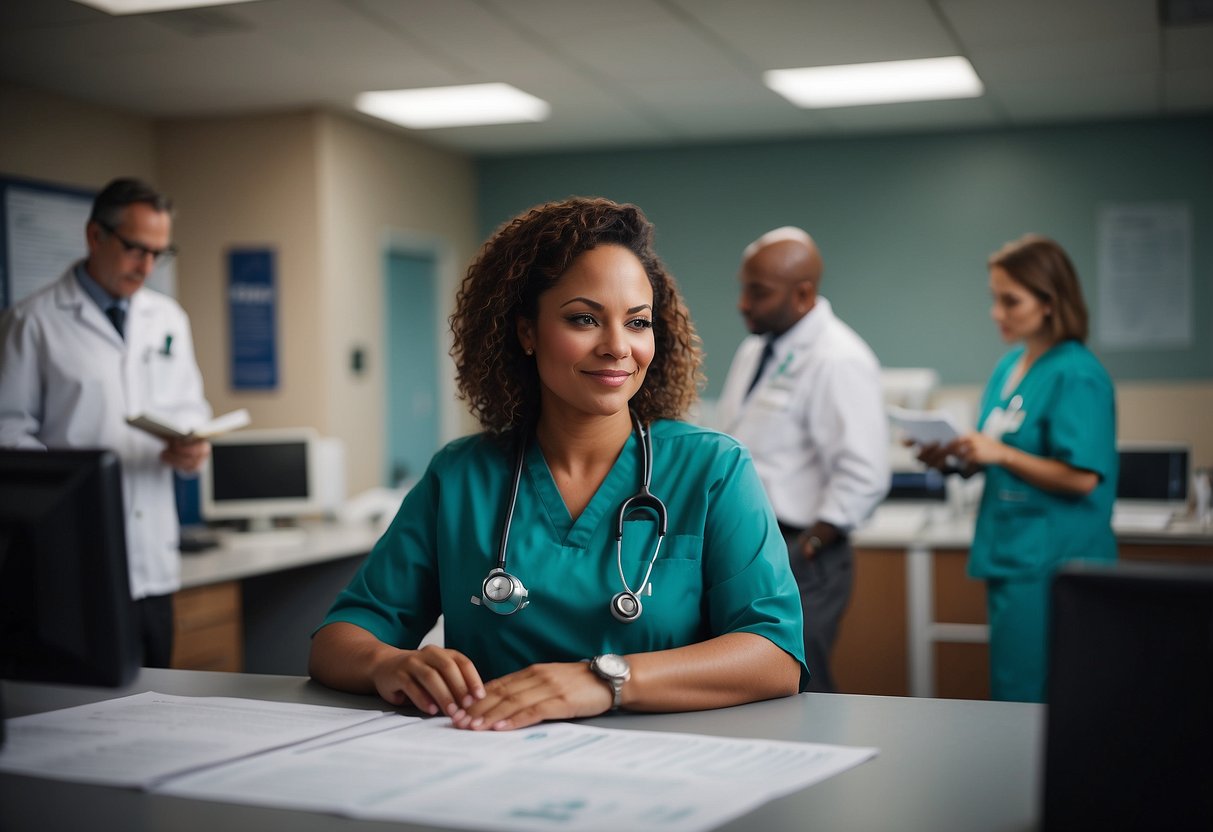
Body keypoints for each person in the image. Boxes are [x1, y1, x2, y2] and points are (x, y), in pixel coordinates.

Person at [309, 197, 808, 730]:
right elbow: (339, 640)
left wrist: (602, 680)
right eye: (584, 319)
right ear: (526, 332)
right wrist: (391, 663)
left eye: (637, 323)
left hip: (665, 779)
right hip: (490, 767)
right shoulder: (460, 477)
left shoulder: (711, 469)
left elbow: (774, 656)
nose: (618, 347)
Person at [0, 177, 213, 668]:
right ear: (95, 236)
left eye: (160, 252)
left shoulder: (168, 319)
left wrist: (192, 446)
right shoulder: (33, 322)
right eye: (136, 249)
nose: (147, 266)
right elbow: (7, 436)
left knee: (159, 703)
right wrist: (71, 480)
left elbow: (190, 408)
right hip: (73, 566)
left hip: (154, 566)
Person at [914, 234, 1116, 703]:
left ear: (1050, 302)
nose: (997, 312)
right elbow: (997, 453)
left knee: (1037, 695)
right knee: (1014, 687)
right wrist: (955, 458)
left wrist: (1000, 453)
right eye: (994, 299)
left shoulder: (1077, 374)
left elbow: (1083, 476)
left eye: (1011, 301)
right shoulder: (1011, 367)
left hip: (1055, 562)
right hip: (1012, 553)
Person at [716, 227, 889, 694]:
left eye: (759, 292)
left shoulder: (838, 358)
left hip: (803, 551)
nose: (743, 303)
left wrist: (808, 547)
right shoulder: (756, 349)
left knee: (796, 678)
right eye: (744, 287)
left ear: (804, 293)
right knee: (748, 679)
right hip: (748, 546)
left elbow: (865, 474)